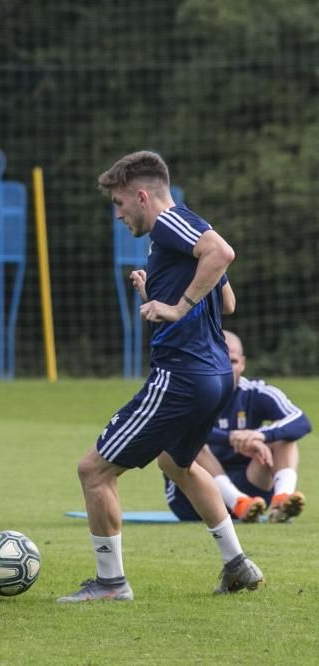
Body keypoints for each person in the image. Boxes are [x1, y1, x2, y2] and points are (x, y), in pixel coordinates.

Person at [58, 151, 263, 603]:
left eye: (119, 203)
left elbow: (222, 253)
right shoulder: (181, 233)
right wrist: (158, 291)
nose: (118, 214)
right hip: (213, 376)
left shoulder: (172, 223)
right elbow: (226, 300)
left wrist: (177, 306)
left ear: (142, 195)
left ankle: (111, 584)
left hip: (182, 375)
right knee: (176, 463)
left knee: (93, 470)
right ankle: (237, 565)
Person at [166, 330, 311, 523]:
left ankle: (282, 501)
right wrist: (231, 437)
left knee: (285, 439)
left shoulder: (256, 392)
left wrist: (259, 436)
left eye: (233, 362)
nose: (226, 368)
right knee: (193, 443)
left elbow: (301, 420)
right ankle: (238, 502)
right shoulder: (188, 392)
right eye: (219, 360)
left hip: (251, 492)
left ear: (242, 363)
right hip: (192, 499)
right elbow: (178, 428)